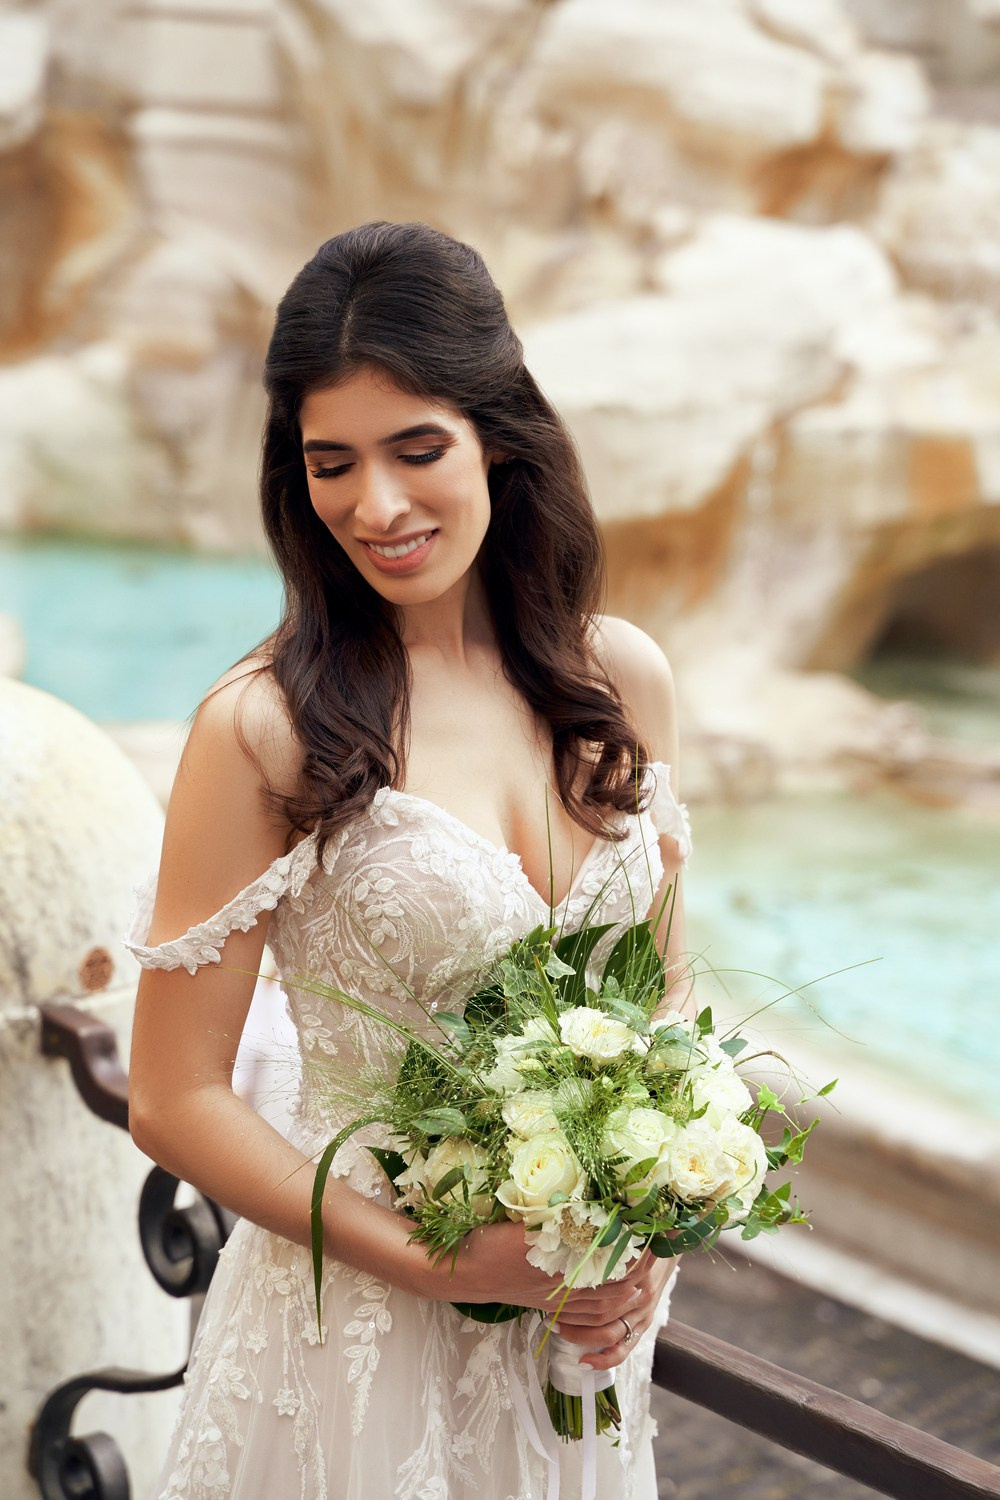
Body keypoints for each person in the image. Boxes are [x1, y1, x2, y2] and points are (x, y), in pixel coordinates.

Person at [127, 221, 693, 1500]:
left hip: (576, 1346)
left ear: (498, 430)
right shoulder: (263, 729)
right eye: (332, 464)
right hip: (349, 1349)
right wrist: (442, 1265)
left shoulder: (622, 683)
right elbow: (172, 1092)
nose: (374, 506)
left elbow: (660, 1008)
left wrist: (643, 1236)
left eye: (416, 448)